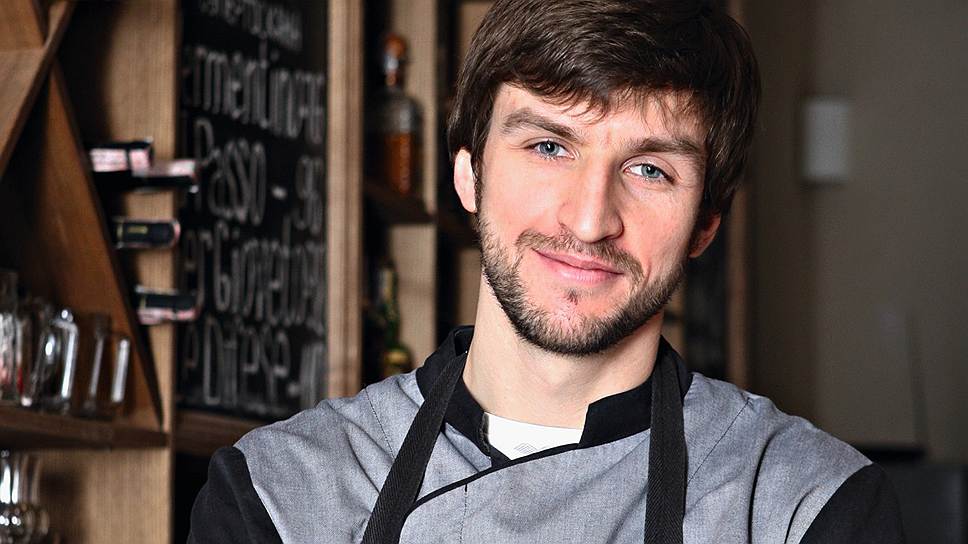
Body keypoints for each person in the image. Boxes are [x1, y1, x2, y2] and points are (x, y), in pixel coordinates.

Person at [188, 1, 905, 542]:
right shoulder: (278, 497)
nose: (589, 221)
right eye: (549, 147)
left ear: (704, 225)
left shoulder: (804, 505)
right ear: (468, 175)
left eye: (649, 169)